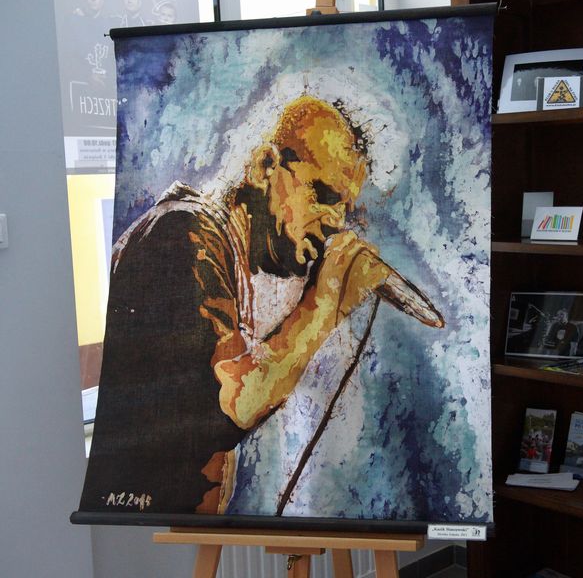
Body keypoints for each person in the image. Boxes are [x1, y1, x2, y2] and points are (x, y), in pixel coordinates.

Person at [80, 96, 445, 514]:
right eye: (323, 193)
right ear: (265, 167)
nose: (336, 222)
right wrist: (326, 299)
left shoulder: (231, 259)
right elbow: (237, 403)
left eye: (345, 208)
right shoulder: (184, 232)